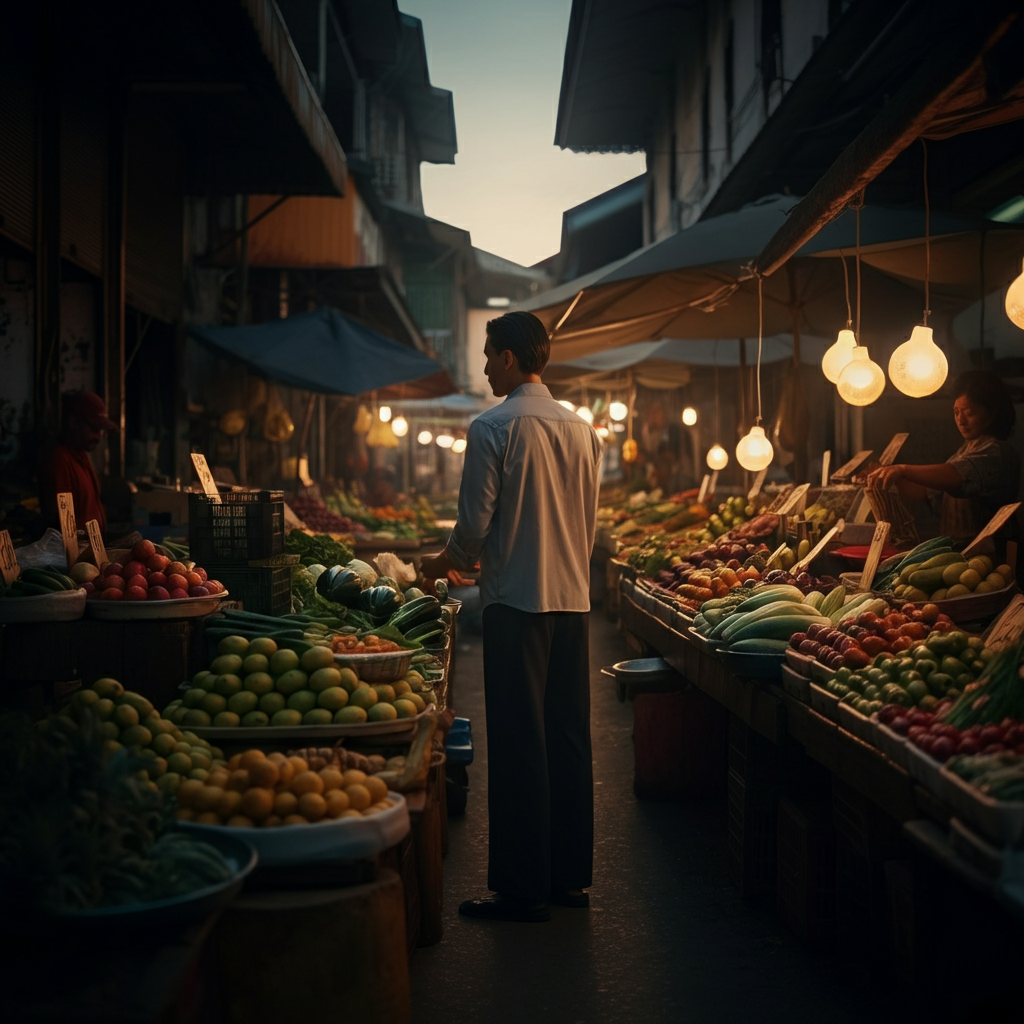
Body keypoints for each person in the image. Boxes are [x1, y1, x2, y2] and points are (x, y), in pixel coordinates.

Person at [420, 310, 603, 923]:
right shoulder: (582, 430)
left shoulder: (492, 426)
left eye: (488, 354)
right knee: (568, 737)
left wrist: (441, 562)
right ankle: (570, 880)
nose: (483, 366)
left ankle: (522, 888)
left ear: (507, 358)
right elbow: (590, 523)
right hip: (571, 600)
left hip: (516, 603)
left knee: (522, 740)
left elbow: (472, 529)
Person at [866, 370, 1020, 543]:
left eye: (969, 413)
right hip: (958, 553)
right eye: (956, 412)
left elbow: (956, 475)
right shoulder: (964, 451)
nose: (961, 420)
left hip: (990, 557)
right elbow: (929, 492)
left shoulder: (998, 452)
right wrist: (886, 478)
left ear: (992, 412)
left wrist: (902, 469)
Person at [38, 391, 116, 535]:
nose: (98, 437)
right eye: (94, 429)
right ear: (73, 422)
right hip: (75, 555)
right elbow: (62, 522)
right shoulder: (59, 460)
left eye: (101, 431)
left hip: (91, 551)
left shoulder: (81, 456)